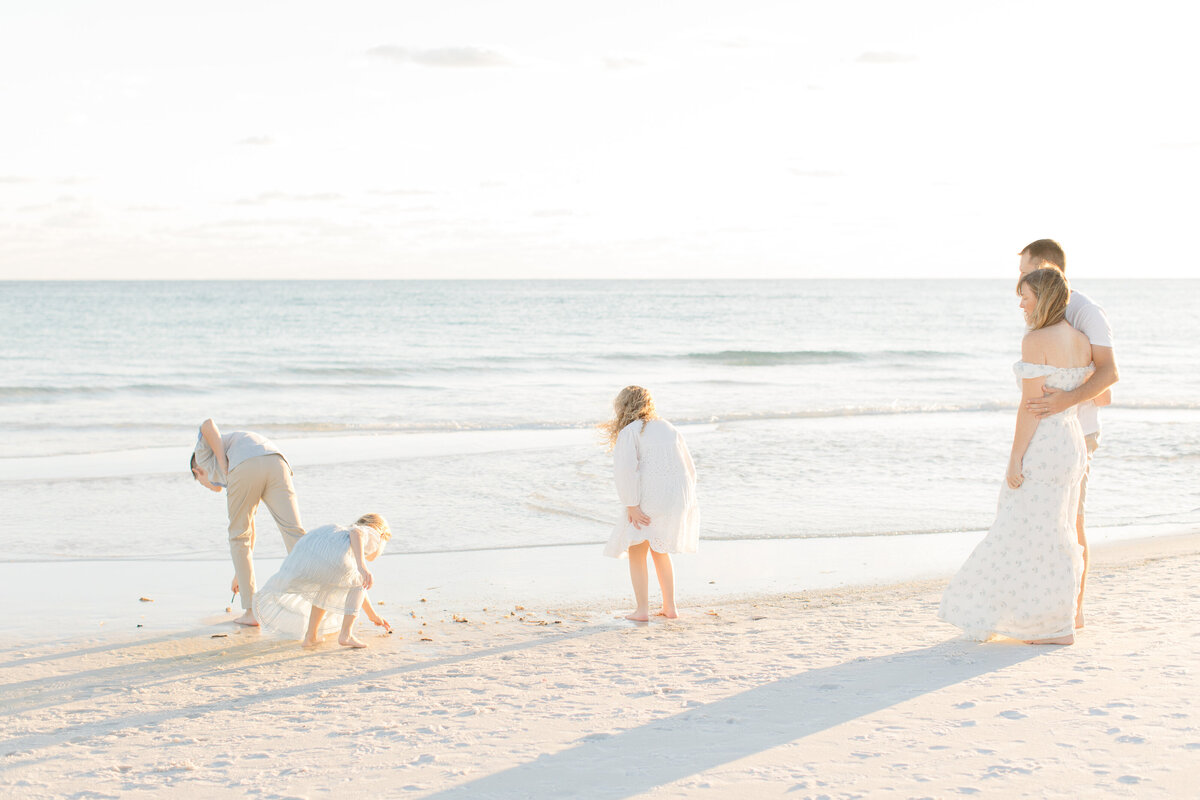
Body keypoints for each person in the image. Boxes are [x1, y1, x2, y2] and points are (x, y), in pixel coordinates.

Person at [939, 268, 1094, 644]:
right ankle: (1058, 621)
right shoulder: (1081, 339)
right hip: (1071, 442)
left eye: (1025, 296)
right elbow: (1090, 392)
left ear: (1043, 297)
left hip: (1043, 444)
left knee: (1021, 530)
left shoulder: (1036, 339)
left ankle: (1051, 627)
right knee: (1057, 532)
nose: (1021, 303)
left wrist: (1014, 458)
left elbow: (1029, 406)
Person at [1017, 240, 1119, 629]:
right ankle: (1052, 608)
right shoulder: (1045, 312)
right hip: (1050, 432)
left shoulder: (1085, 310)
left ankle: (1072, 611)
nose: (1020, 282)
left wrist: (1066, 402)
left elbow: (1109, 374)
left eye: (1025, 272)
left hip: (1079, 430)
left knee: (1072, 522)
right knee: (1047, 522)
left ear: (1045, 268)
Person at [190, 418, 305, 626]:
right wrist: (239, 575)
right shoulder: (229, 466)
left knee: (237, 536)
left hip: (245, 462)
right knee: (294, 533)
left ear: (198, 472)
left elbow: (207, 424)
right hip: (276, 460)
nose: (208, 487)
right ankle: (319, 595)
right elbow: (250, 530)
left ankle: (252, 612)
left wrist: (223, 461)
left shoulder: (202, 458)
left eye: (202, 484)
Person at [601, 386, 699, 622]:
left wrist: (631, 504)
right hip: (676, 497)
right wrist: (686, 501)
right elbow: (689, 467)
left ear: (624, 407)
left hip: (648, 499)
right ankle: (670, 607)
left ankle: (642, 610)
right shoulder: (668, 427)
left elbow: (625, 471)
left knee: (637, 551)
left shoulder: (630, 431)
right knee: (660, 550)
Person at [254, 513, 393, 649]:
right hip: (331, 555)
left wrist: (373, 616)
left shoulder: (344, 538)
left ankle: (311, 636)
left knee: (328, 588)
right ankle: (346, 635)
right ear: (383, 535)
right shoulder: (374, 532)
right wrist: (362, 566)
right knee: (358, 579)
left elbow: (359, 589)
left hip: (311, 552)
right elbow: (357, 533)